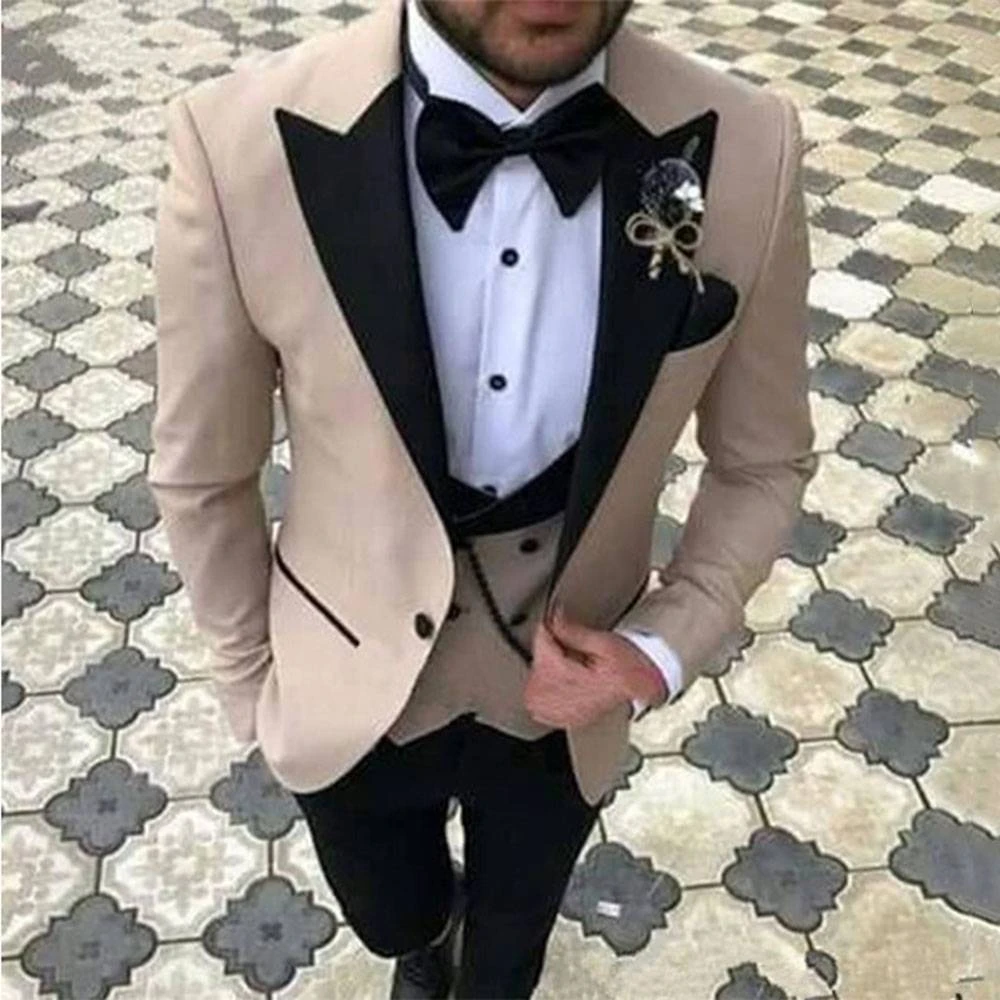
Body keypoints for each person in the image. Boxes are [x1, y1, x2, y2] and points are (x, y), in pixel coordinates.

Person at [149, 0, 818, 996]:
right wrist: (253, 685)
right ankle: (424, 937)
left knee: (512, 947)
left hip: (567, 701)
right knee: (393, 916)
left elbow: (764, 462)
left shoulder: (752, 146)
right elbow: (204, 470)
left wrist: (661, 646)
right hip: (343, 678)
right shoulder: (236, 144)